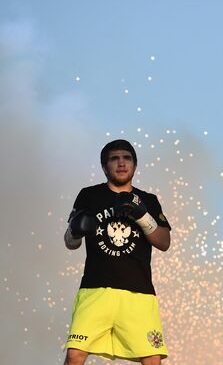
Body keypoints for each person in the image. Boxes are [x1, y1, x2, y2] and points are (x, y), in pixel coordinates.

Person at [63, 139, 171, 365]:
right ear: (105, 167)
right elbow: (70, 242)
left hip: (138, 292)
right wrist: (76, 230)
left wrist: (143, 216)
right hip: (95, 289)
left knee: (152, 359)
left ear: (135, 165)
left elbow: (163, 242)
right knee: (74, 354)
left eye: (127, 158)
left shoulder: (148, 200)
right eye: (114, 159)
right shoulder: (89, 195)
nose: (121, 163)